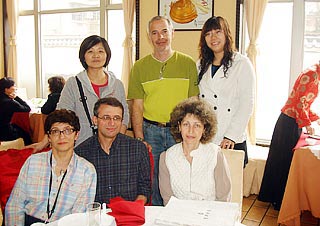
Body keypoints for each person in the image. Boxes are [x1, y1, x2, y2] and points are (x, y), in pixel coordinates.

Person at [127, 15, 199, 206]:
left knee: (181, 174)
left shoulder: (188, 63)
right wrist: (140, 138)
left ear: (172, 33)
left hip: (179, 131)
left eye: (164, 31)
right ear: (149, 37)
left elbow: (194, 102)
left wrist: (190, 133)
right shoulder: (139, 67)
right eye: (155, 32)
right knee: (154, 177)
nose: (160, 37)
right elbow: (137, 106)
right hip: (150, 131)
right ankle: (158, 215)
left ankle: (179, 215)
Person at [29, 35, 129, 151]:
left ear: (107, 55)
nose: (96, 55)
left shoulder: (117, 85)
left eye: (100, 51)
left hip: (112, 148)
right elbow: (61, 116)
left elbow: (124, 115)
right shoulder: (73, 84)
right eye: (90, 51)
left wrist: (117, 140)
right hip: (81, 147)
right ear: (83, 56)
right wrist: (44, 142)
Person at [5, 109, 97, 225]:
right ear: (49, 137)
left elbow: (77, 217)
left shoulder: (87, 171)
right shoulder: (33, 162)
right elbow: (15, 205)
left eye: (67, 130)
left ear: (76, 135)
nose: (61, 136)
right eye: (55, 131)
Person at [258, 63, 320, 210]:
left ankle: (277, 199)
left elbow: (303, 104)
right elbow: (299, 104)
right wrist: (308, 124)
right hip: (289, 123)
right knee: (284, 162)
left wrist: (315, 118)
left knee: (281, 161)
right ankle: (279, 200)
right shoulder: (312, 74)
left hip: (291, 121)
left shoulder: (314, 73)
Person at [197, 16, 255, 166]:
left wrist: (231, 136)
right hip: (207, 137)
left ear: (226, 34)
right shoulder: (201, 65)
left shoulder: (241, 64)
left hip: (231, 139)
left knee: (231, 186)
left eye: (218, 32)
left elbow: (246, 104)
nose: (213, 37)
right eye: (208, 34)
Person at [75, 97, 151, 205]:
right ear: (95, 120)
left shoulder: (138, 149)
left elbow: (145, 188)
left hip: (129, 213)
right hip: (96, 215)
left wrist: (135, 207)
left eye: (116, 118)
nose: (112, 123)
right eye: (106, 117)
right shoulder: (81, 153)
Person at [159, 97, 232, 205]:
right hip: (179, 215)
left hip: (210, 216)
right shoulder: (166, 157)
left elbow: (223, 198)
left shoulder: (215, 154)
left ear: (204, 129)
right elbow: (167, 199)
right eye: (186, 124)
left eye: (197, 125)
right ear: (179, 126)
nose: (190, 131)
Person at [0, 77, 32, 145]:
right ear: (6, 89)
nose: (15, 88)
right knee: (26, 133)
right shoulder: (9, 102)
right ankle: (29, 150)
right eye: (13, 86)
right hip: (5, 132)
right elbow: (27, 109)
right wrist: (16, 98)